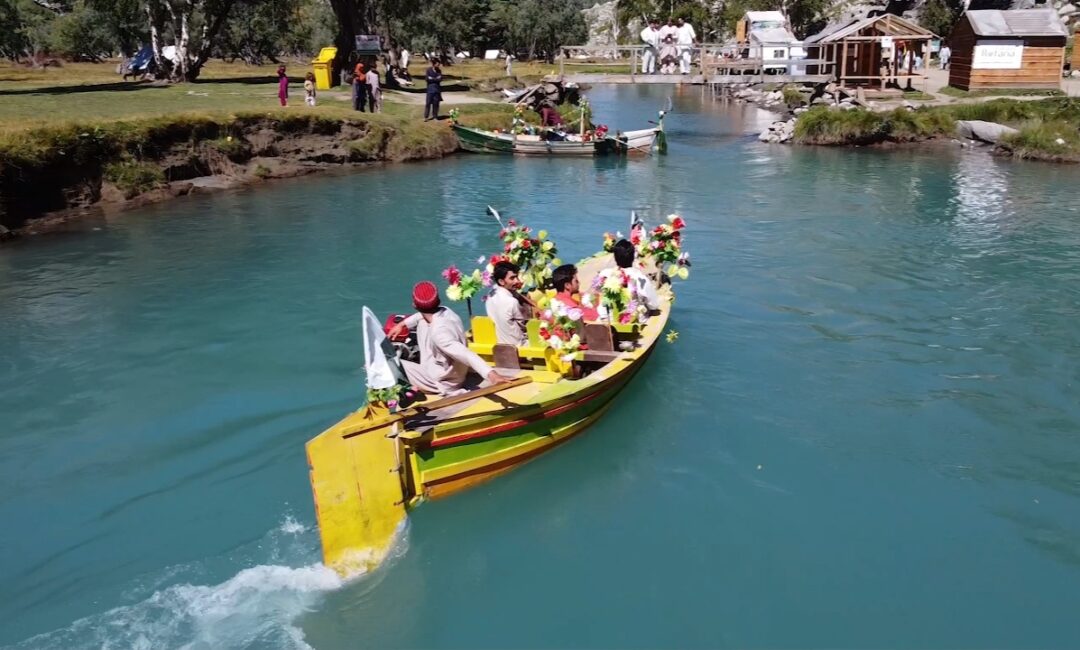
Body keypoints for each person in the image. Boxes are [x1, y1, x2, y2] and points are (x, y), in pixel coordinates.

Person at [388, 281, 511, 396]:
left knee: (387, 362)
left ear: (414, 305)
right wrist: (402, 324)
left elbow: (466, 354)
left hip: (442, 382)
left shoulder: (439, 334)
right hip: (450, 370)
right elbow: (421, 315)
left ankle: (402, 393)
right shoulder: (446, 311)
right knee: (421, 322)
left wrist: (492, 375)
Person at [486, 261, 533, 346]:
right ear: (501, 281)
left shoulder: (490, 295)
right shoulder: (511, 302)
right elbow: (523, 326)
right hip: (518, 345)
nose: (517, 281)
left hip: (499, 343)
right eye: (512, 278)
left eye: (517, 277)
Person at [611, 239, 660, 311]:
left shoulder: (606, 275)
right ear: (633, 257)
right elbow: (654, 305)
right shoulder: (642, 280)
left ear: (615, 258)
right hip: (633, 318)